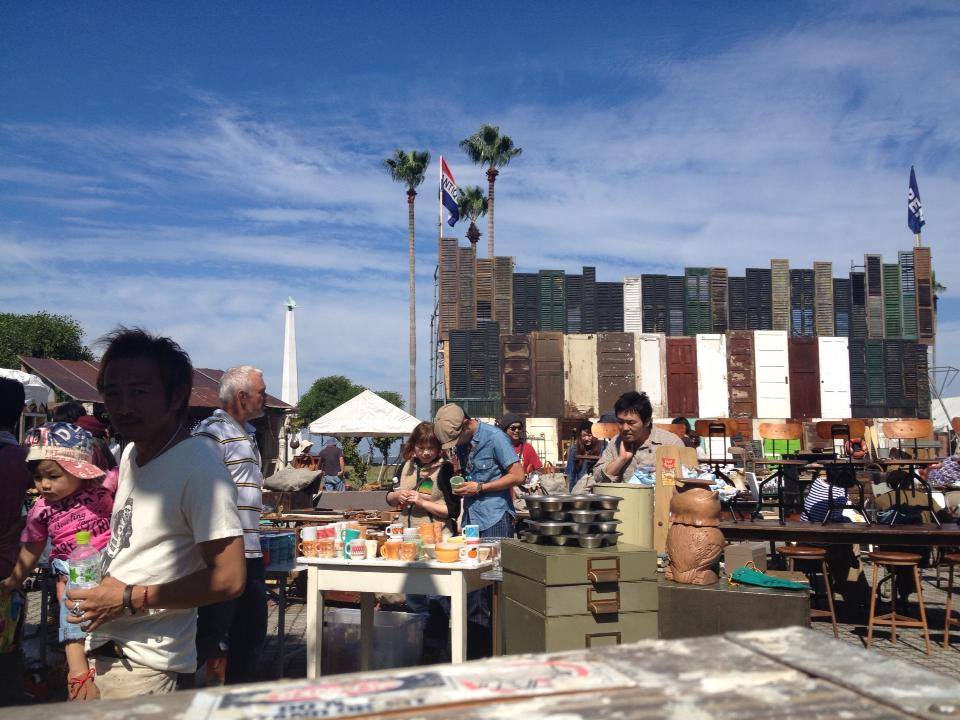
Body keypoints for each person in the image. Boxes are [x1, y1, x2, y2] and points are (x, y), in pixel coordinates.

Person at [65, 327, 245, 699]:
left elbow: (230, 578)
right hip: (102, 651)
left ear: (176, 395)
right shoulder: (132, 453)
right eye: (112, 393)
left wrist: (129, 597)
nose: (123, 406)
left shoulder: (200, 468)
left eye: (139, 392)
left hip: (146, 667)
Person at [1, 423, 113, 700]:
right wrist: (15, 579)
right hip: (72, 569)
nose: (44, 484)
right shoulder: (41, 508)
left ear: (78, 472)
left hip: (111, 563)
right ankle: (78, 674)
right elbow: (32, 547)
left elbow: (127, 475)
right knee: (71, 615)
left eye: (53, 476)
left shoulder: (101, 490)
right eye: (38, 477)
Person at [192, 365, 269, 685]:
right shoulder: (212, 433)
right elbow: (198, 489)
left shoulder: (246, 433)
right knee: (210, 633)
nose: (265, 398)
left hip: (249, 551)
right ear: (241, 397)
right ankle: (182, 696)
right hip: (223, 553)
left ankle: (238, 700)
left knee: (250, 636)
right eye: (261, 393)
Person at [0, 378, 32, 706]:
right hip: (7, 569)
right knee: (6, 646)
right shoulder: (22, 460)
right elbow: (42, 507)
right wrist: (22, 522)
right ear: (21, 411)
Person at [580, 391, 683, 492]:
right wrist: (620, 460)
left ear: (647, 422)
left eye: (631, 423)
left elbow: (684, 482)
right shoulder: (616, 442)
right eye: (621, 422)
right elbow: (597, 477)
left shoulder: (671, 444)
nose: (625, 428)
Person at [565, 419, 600, 491]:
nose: (586, 438)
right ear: (580, 436)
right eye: (584, 436)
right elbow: (570, 472)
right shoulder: (574, 449)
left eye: (589, 435)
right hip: (579, 487)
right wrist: (571, 491)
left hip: (595, 487)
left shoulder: (601, 448)